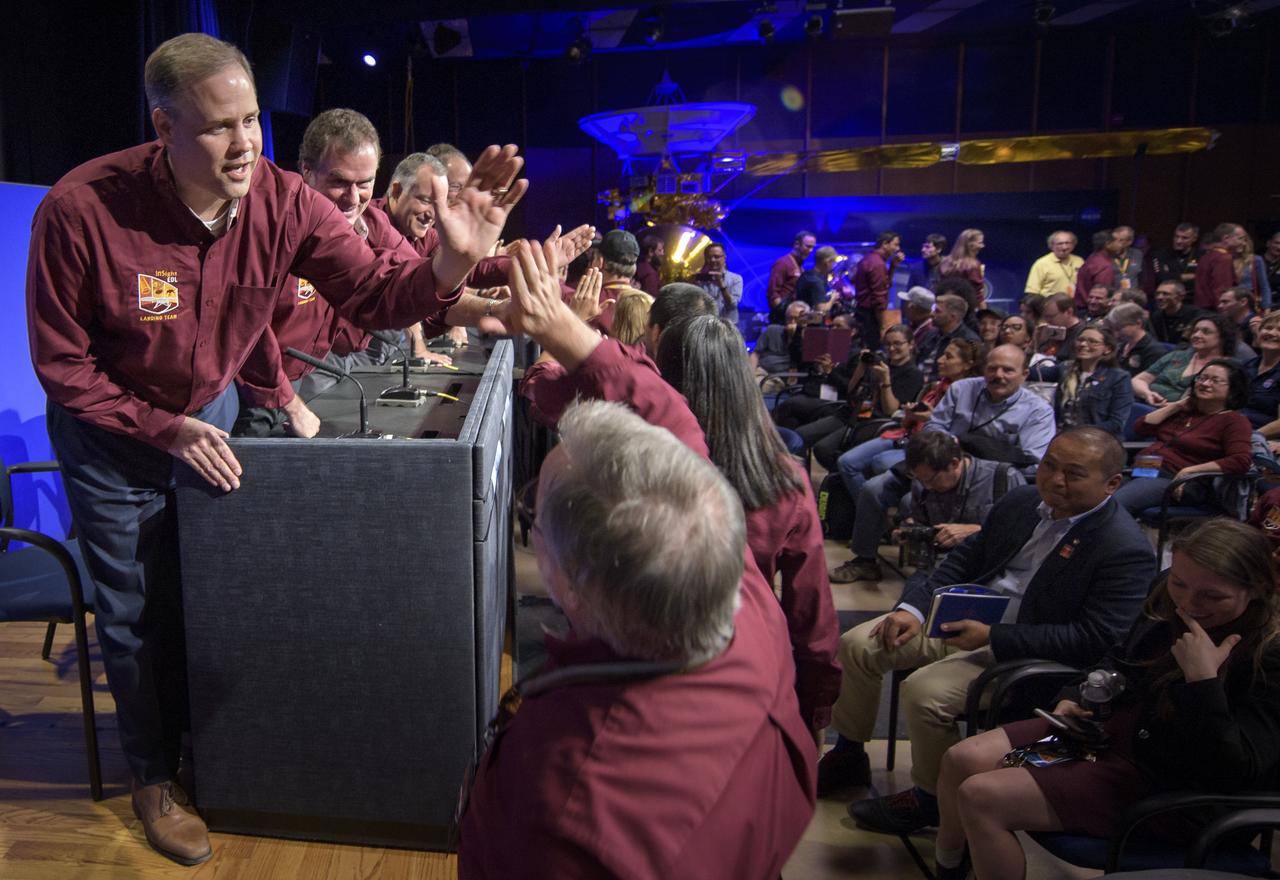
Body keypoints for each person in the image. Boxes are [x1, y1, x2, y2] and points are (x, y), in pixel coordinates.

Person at [26, 32, 528, 865]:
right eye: (221, 127)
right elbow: (62, 366)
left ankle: (211, 748)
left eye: (254, 120)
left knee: (216, 589)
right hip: (114, 438)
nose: (246, 144)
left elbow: (373, 293)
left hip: (210, 414)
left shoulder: (284, 200)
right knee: (133, 612)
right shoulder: (82, 208)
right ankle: (154, 774)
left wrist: (451, 262)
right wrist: (165, 429)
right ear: (165, 127)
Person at [463, 239, 819, 878]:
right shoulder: (741, 597)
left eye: (538, 521)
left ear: (571, 585)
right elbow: (674, 426)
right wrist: (567, 328)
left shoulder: (569, 807)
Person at [819, 427, 1155, 835]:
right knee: (857, 644)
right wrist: (913, 608)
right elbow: (964, 558)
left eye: (1074, 473)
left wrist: (993, 637)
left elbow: (1095, 638)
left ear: (1112, 484)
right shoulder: (1023, 501)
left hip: (1022, 650)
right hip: (966, 617)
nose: (1055, 480)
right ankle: (850, 752)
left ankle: (930, 800)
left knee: (924, 693)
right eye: (1049, 465)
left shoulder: (1124, 548)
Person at [933, 518, 1280, 880]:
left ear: (1256, 589)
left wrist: (1203, 682)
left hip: (1167, 787)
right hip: (1109, 740)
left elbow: (1236, 767)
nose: (1190, 603)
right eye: (1180, 583)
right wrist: (1076, 693)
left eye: (1213, 595)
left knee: (982, 797)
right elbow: (1121, 656)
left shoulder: (1269, 657)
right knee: (963, 759)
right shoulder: (1167, 593)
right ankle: (950, 868)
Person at [656, 315, 842, 737]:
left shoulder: (640, 464)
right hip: (749, 673)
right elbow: (810, 611)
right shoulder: (783, 479)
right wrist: (814, 707)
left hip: (652, 675)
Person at [830, 344, 1054, 584]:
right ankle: (864, 559)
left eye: (1008, 370)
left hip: (987, 478)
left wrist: (975, 453)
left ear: (1024, 375)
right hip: (938, 459)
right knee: (873, 489)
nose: (998, 375)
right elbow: (934, 426)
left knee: (909, 502)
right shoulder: (962, 389)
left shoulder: (1038, 411)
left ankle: (931, 573)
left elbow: (1032, 461)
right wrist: (948, 445)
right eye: (993, 368)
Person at [1114, 358, 1253, 515]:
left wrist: (1188, 471)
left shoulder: (1233, 421)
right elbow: (1141, 427)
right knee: (1090, 496)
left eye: (1215, 380)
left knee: (1114, 505)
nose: (1205, 384)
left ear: (1233, 390)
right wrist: (1177, 405)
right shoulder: (1184, 411)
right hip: (1143, 470)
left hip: (1174, 481)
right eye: (1202, 378)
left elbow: (1240, 461)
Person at [779, 324, 925, 456]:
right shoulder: (882, 363)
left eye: (897, 344)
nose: (891, 348)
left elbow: (890, 410)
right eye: (888, 344)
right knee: (798, 435)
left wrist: (886, 381)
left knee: (823, 449)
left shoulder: (913, 374)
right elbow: (852, 391)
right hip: (851, 413)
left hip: (874, 421)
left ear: (911, 345)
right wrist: (861, 368)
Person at [1133, 313, 1237, 404]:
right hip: (1147, 404)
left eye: (1206, 332)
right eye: (1195, 331)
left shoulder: (1225, 368)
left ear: (1222, 338)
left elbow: (1208, 403)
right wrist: (1147, 394)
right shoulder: (1177, 355)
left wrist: (1169, 408)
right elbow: (1138, 380)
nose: (1196, 335)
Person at [1053, 324, 1134, 436]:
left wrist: (1078, 433)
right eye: (1080, 340)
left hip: (1097, 442)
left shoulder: (1118, 378)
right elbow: (1027, 372)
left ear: (1107, 349)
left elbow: (1116, 423)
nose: (1083, 344)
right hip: (1061, 439)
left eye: (1092, 341)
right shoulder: (1066, 368)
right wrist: (1033, 345)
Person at [852, 231, 903, 349]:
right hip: (870, 317)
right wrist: (883, 326)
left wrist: (893, 266)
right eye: (895, 244)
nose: (897, 249)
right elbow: (879, 298)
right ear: (885, 244)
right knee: (872, 349)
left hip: (862, 312)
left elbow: (884, 285)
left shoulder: (869, 259)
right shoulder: (878, 264)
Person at [918, 292, 980, 381]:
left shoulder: (968, 341)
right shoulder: (930, 333)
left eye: (937, 311)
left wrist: (928, 380)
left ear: (953, 317)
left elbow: (964, 375)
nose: (931, 314)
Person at [1107, 301, 1167, 377]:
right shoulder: (1122, 345)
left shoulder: (1155, 351)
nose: (1116, 334)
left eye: (1120, 328)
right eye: (1114, 328)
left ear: (1138, 323)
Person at [1143, 222, 1200, 300]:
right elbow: (1162, 277)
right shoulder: (1160, 254)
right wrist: (1188, 276)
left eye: (1184, 238)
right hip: (1165, 298)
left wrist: (1172, 275)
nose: (1178, 241)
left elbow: (1201, 278)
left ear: (1194, 238)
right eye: (1176, 237)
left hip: (1190, 298)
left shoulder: (1201, 256)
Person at [768, 230, 816, 324]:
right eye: (808, 246)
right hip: (783, 319)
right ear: (797, 244)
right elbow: (773, 293)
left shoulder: (800, 267)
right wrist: (783, 312)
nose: (810, 251)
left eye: (812, 247)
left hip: (795, 317)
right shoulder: (783, 263)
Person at [1195, 222, 1245, 310]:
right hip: (1215, 311)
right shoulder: (1223, 258)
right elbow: (1221, 290)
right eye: (1240, 238)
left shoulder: (1205, 257)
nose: (1243, 243)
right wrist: (1224, 314)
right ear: (1226, 238)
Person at [693, 241, 743, 326]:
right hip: (706, 326)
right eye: (709, 257)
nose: (712, 260)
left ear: (724, 257)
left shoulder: (736, 278)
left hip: (728, 327)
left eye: (716, 257)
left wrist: (722, 286)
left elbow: (733, 305)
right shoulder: (700, 279)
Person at [1245, 312, 1280, 430]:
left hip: (1262, 438)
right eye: (1268, 328)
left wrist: (1252, 437)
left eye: (1279, 330)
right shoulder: (1246, 365)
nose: (1272, 333)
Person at [1075, 228, 1125, 309]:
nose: (1121, 245)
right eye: (1118, 241)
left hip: (1083, 308)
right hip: (1095, 310)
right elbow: (1101, 294)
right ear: (1108, 244)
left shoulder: (1091, 258)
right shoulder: (1104, 266)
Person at [1150, 278, 1209, 346]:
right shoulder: (1156, 317)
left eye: (1165, 294)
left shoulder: (1195, 315)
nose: (1159, 297)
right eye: (1157, 294)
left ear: (1181, 297)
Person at [1024, 230, 1082, 298]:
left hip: (1074, 305)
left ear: (1073, 245)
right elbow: (1032, 292)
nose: (1064, 247)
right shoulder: (1041, 263)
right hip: (1049, 305)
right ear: (1052, 246)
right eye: (1060, 244)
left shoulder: (1079, 261)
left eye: (1067, 243)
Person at [998, 313, 1055, 378]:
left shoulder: (1041, 362)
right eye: (1004, 328)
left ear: (1028, 336)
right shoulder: (994, 358)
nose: (1007, 331)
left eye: (1016, 327)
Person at [1035, 292, 1084, 360]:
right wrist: (1036, 342)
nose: (1047, 321)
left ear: (1069, 312)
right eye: (1045, 317)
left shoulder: (1083, 332)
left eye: (1051, 316)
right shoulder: (1050, 329)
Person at [797, 245, 839, 310]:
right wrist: (833, 298)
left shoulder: (806, 275)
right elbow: (821, 310)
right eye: (833, 262)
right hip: (810, 319)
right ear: (827, 263)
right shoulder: (817, 281)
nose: (834, 265)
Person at [900, 285, 939, 354]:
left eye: (906, 303)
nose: (904, 307)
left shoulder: (930, 332)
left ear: (912, 307)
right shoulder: (914, 324)